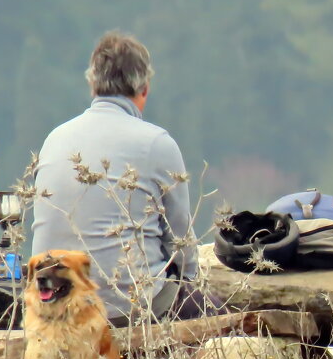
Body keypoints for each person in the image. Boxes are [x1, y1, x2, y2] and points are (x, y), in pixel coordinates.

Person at [31, 31, 221, 325]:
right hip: (127, 309)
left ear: (92, 84)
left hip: (56, 307)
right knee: (223, 321)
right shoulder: (156, 143)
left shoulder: (54, 139)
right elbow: (181, 242)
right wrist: (192, 288)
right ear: (144, 88)